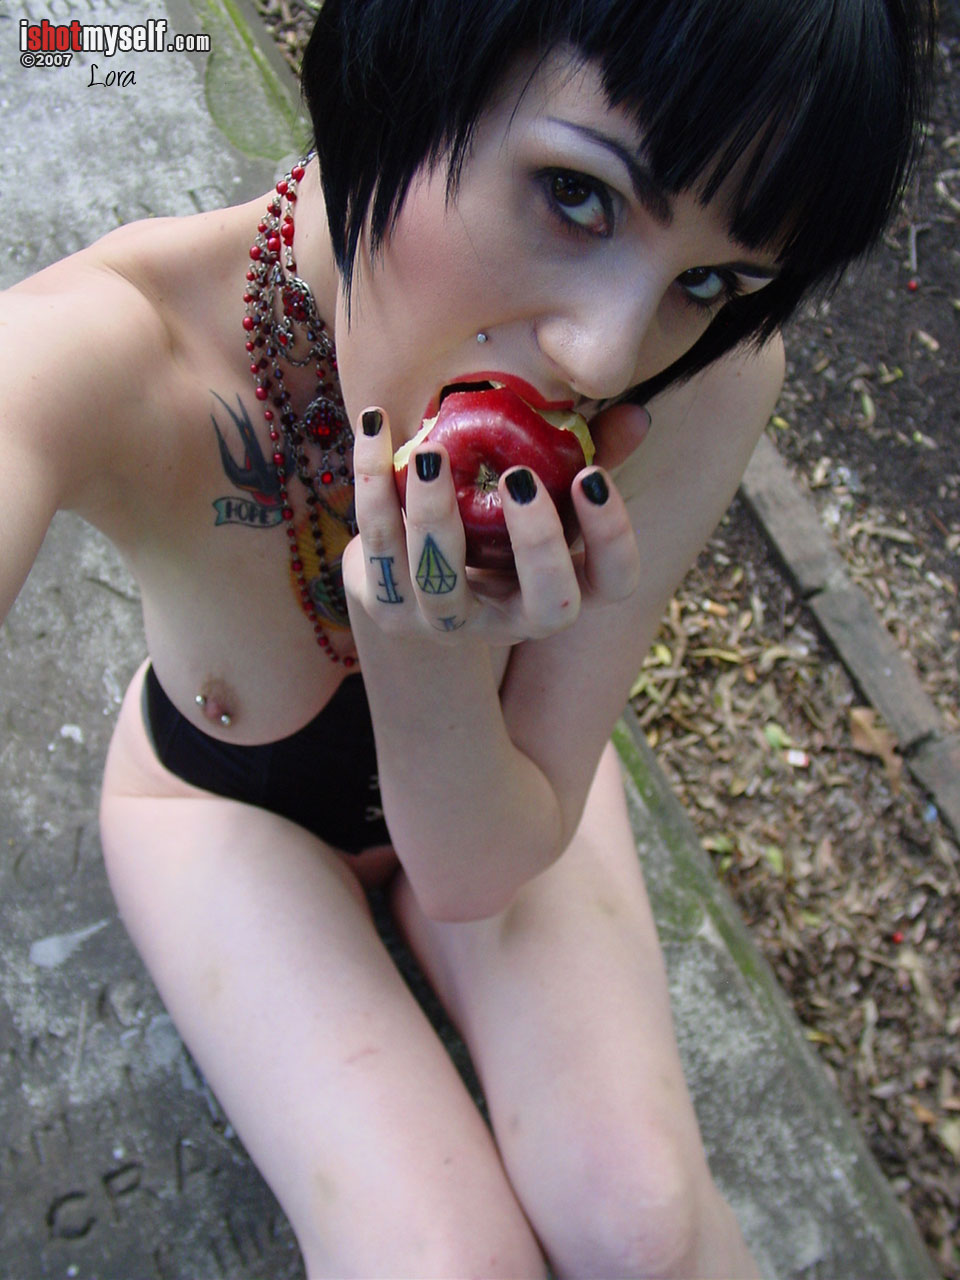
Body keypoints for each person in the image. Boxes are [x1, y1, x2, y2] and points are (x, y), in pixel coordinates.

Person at [0, 0, 934, 1274]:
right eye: (577, 194)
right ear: (400, 67)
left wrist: (433, 657)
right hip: (227, 808)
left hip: (506, 785)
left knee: (644, 1221)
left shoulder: (703, 377)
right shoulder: (116, 347)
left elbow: (477, 865)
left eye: (709, 280)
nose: (604, 353)